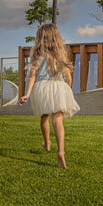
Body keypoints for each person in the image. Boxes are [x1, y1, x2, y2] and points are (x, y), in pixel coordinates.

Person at [19, 23, 80, 168]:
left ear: (40, 38)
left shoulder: (37, 55)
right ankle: (61, 152)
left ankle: (47, 143)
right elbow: (68, 76)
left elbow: (31, 77)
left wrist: (26, 94)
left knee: (44, 117)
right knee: (58, 120)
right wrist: (68, 89)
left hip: (42, 88)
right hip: (59, 87)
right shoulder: (61, 54)